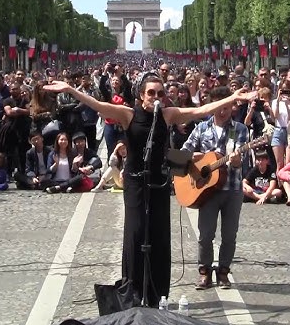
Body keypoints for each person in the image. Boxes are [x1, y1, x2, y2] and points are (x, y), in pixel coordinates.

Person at [43, 75, 255, 306]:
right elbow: (98, 105)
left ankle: (157, 292)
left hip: (160, 182)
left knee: (158, 233)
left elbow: (201, 111)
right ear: (141, 95)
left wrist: (233, 97)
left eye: (160, 93)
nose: (156, 97)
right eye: (151, 93)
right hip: (135, 181)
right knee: (135, 232)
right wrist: (71, 89)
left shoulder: (168, 114)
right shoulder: (128, 114)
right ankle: (133, 290)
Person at [181, 86, 249, 290]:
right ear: (212, 106)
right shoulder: (201, 128)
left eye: (227, 106)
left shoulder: (239, 129)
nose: (223, 110)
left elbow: (240, 160)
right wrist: (191, 159)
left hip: (232, 189)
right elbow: (184, 151)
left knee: (229, 234)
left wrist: (236, 161)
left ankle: (224, 272)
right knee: (205, 234)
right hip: (206, 191)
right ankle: (204, 271)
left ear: (232, 107)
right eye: (219, 106)